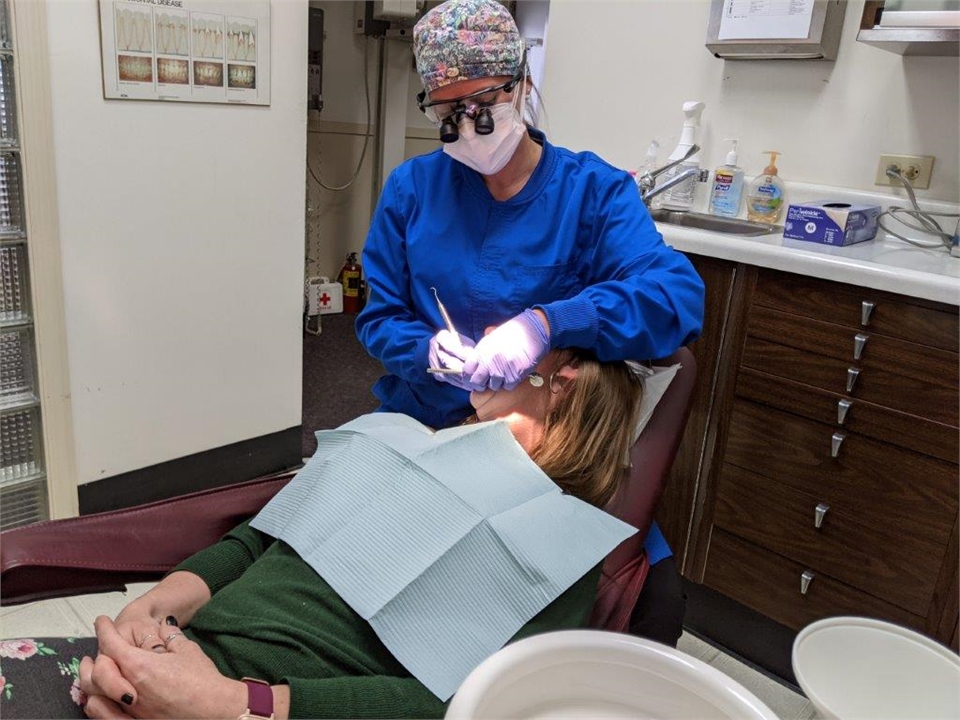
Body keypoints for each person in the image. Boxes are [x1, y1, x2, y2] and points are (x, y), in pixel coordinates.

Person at [0, 349, 643, 720]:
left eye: (518, 354)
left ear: (563, 385)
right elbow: (260, 539)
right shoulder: (399, 444)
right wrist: (156, 607)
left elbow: (466, 704)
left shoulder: (559, 546)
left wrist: (233, 704)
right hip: (173, 656)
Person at [355, 0, 702, 647]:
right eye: (447, 111)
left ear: (522, 83)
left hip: (545, 457)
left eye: (484, 101)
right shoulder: (412, 190)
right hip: (426, 429)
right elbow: (379, 318)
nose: (470, 125)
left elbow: (675, 299)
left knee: (650, 603)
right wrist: (425, 352)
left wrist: (549, 322)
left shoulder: (592, 194)